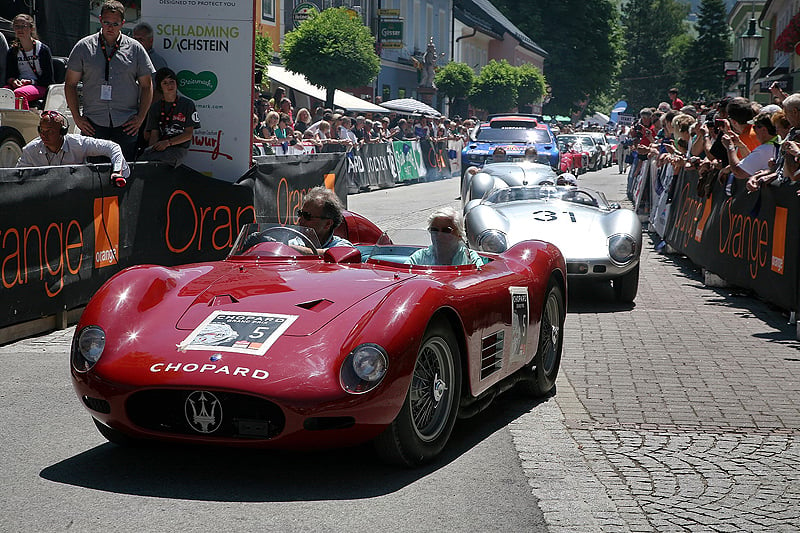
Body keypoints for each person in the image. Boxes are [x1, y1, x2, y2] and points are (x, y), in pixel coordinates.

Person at [65, 0, 155, 160]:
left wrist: (140, 118)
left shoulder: (135, 48)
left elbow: (147, 86)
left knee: (122, 173)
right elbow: (70, 84)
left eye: (115, 23)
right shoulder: (84, 47)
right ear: (100, 20)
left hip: (126, 123)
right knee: (94, 175)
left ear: (123, 24)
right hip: (93, 122)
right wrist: (77, 118)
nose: (110, 27)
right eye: (106, 22)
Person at [16, 110, 130, 184]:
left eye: (50, 131)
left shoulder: (78, 143)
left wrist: (117, 171)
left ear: (63, 132)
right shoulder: (30, 150)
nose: (43, 135)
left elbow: (113, 147)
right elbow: (16, 178)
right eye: (41, 130)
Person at [142, 67, 200, 167]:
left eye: (172, 81)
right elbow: (154, 135)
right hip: (159, 148)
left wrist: (168, 143)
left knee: (159, 159)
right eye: (165, 83)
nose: (169, 85)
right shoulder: (155, 107)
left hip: (178, 148)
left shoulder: (187, 104)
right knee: (142, 162)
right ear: (160, 87)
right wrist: (151, 151)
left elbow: (188, 134)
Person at [4, 14, 54, 110]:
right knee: (3, 92)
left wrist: (30, 82)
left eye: (23, 26)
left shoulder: (42, 49)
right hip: (20, 85)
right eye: (17, 26)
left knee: (19, 94)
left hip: (39, 85)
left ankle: (23, 122)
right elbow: (9, 75)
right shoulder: (13, 51)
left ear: (31, 28)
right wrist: (13, 81)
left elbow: (48, 78)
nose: (20, 29)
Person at [407, 206, 484, 266]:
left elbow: (479, 279)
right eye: (434, 230)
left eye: (446, 231)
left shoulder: (470, 258)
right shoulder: (420, 257)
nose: (439, 235)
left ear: (459, 234)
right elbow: (402, 277)